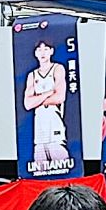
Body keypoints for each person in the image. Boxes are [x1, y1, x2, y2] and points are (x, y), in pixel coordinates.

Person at [24, 40, 73, 174]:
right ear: (35, 53)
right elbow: (27, 104)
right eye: (39, 49)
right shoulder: (32, 75)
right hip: (39, 128)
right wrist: (47, 93)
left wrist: (37, 99)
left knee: (62, 168)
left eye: (46, 49)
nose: (43, 52)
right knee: (40, 171)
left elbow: (60, 97)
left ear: (51, 51)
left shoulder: (58, 68)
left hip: (54, 122)